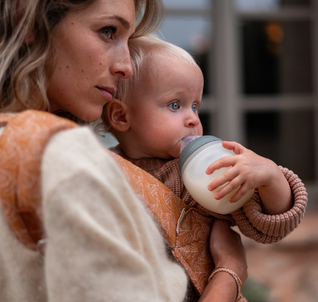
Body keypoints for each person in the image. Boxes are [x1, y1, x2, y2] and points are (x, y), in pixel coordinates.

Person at [0, 1, 250, 302]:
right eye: (108, 31)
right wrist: (229, 271)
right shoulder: (65, 159)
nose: (126, 67)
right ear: (28, 22)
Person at [102, 33, 308, 297]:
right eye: (175, 105)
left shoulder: (199, 173)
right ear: (120, 115)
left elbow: (270, 225)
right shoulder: (103, 169)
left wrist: (269, 177)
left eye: (195, 106)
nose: (192, 119)